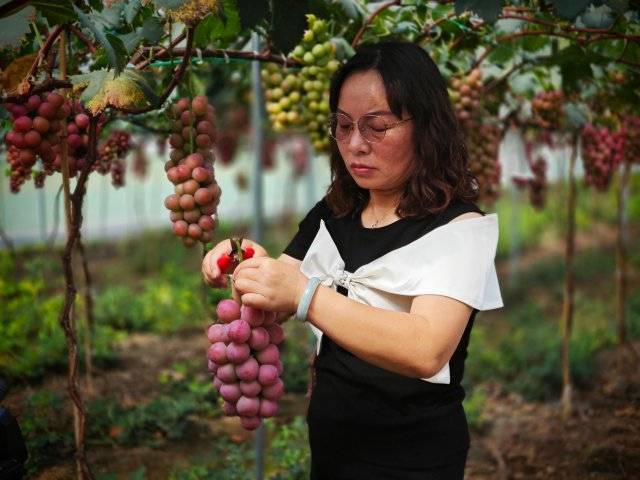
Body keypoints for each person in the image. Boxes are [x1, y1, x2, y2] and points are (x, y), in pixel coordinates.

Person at [202, 41, 503, 480]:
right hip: (332, 449)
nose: (355, 144)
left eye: (376, 127)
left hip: (415, 461)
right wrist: (245, 260)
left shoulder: (459, 230)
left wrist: (306, 295)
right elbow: (282, 288)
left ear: (426, 126)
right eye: (342, 127)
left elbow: (426, 350)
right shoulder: (336, 212)